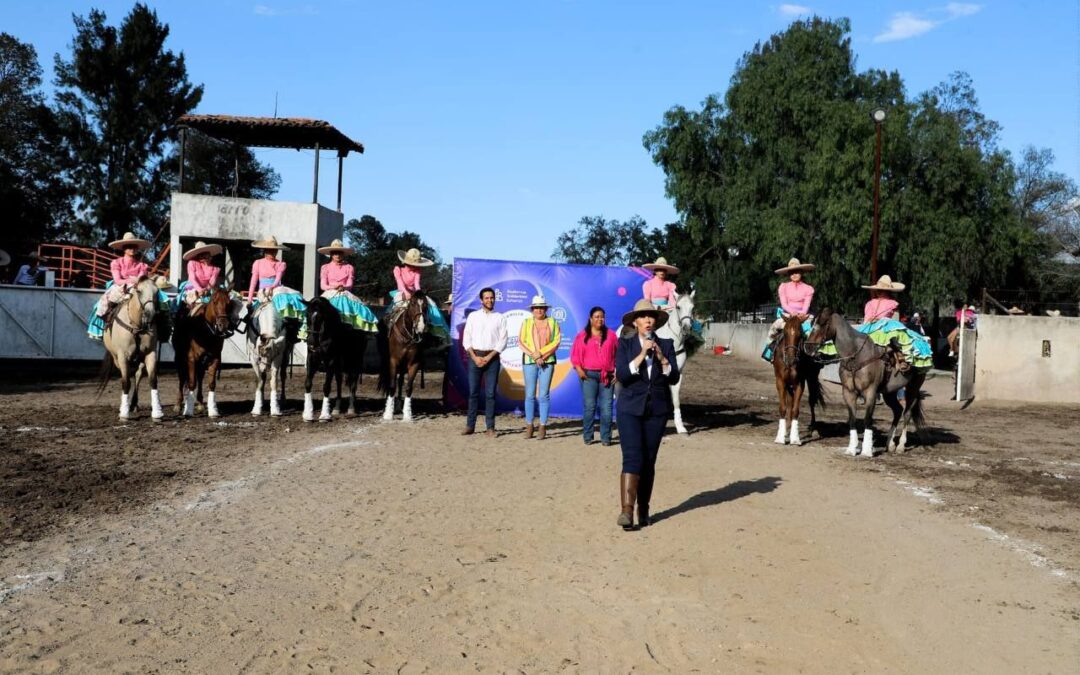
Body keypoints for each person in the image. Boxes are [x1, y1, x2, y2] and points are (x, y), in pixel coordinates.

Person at [614, 298, 681, 530]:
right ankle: (626, 511)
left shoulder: (668, 344)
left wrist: (662, 358)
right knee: (632, 457)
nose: (648, 320)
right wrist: (642, 354)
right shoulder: (625, 345)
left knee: (649, 461)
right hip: (629, 408)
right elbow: (622, 375)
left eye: (651, 316)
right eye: (643, 317)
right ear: (635, 322)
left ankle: (644, 509)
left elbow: (673, 377)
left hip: (657, 410)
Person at [857, 275, 933, 369]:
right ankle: (901, 358)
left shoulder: (869, 303)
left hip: (868, 327)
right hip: (885, 326)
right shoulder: (893, 303)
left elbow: (866, 319)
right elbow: (895, 319)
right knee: (900, 338)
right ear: (888, 291)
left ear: (877, 291)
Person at [87, 232, 151, 340]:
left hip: (138, 287)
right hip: (121, 287)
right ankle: (104, 326)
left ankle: (161, 329)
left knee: (154, 299)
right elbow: (117, 280)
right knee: (105, 302)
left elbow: (141, 280)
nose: (132, 249)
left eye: (134, 247)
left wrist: (137, 281)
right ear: (124, 249)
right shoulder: (116, 262)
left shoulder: (142, 265)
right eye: (129, 247)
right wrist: (132, 280)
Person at [461, 287, 507, 436]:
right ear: (481, 300)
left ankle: (490, 427)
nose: (490, 300)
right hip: (475, 357)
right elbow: (466, 339)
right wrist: (475, 357)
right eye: (486, 298)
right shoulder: (473, 316)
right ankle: (470, 426)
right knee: (473, 393)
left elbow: (503, 341)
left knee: (490, 394)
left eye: (492, 297)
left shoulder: (500, 317)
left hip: (492, 359)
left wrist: (488, 357)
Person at [570, 306, 617, 446]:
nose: (599, 319)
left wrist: (617, 370)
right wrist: (579, 369)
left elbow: (618, 354)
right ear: (590, 319)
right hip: (588, 376)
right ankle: (588, 436)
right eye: (596, 316)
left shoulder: (611, 335)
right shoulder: (582, 336)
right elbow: (575, 355)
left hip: (607, 376)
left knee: (607, 408)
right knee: (590, 406)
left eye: (602, 316)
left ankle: (606, 438)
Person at [518, 294, 561, 440]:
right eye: (536, 308)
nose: (539, 310)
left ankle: (542, 425)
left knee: (544, 395)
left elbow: (556, 341)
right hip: (529, 361)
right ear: (532, 309)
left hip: (547, 361)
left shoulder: (553, 322)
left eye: (541, 307)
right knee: (529, 395)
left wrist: (541, 354)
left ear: (545, 309)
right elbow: (521, 342)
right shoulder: (526, 323)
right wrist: (534, 355)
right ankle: (529, 425)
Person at [247, 236, 307, 331]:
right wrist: (250, 299)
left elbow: (278, 279)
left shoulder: (281, 264)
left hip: (276, 288)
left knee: (295, 295)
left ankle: (289, 322)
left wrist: (272, 287)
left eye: (274, 250)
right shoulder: (257, 263)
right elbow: (253, 282)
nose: (272, 252)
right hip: (263, 291)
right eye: (270, 250)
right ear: (265, 251)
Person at [389, 247, 450, 341]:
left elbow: (417, 284)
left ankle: (432, 326)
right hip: (401, 292)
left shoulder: (417, 271)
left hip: (415, 293)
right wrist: (406, 292)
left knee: (431, 304)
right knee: (394, 307)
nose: (414, 266)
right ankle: (389, 326)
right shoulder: (397, 269)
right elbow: (400, 282)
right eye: (412, 263)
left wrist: (419, 294)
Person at [317, 239, 378, 332]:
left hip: (344, 293)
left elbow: (350, 284)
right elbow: (323, 285)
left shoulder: (349, 267)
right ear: (331, 255)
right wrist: (334, 286)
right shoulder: (325, 267)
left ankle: (359, 333)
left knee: (359, 309)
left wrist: (344, 287)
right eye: (335, 253)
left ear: (343, 254)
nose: (337, 255)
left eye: (339, 253)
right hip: (329, 294)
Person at [768, 258, 815, 340]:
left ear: (801, 272)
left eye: (796, 272)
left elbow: (806, 305)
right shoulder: (783, 287)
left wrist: (802, 314)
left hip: (803, 316)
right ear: (788, 274)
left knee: (811, 332)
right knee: (774, 327)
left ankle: (812, 351)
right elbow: (784, 304)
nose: (794, 275)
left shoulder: (808, 289)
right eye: (791, 272)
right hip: (788, 315)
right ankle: (769, 350)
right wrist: (792, 313)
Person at [180, 241, 223, 315]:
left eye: (207, 255)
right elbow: (192, 278)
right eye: (202, 255)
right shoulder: (192, 263)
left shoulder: (215, 269)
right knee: (191, 299)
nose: (206, 257)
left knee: (224, 298)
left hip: (209, 288)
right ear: (198, 256)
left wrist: (206, 289)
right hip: (193, 287)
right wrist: (200, 290)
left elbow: (212, 281)